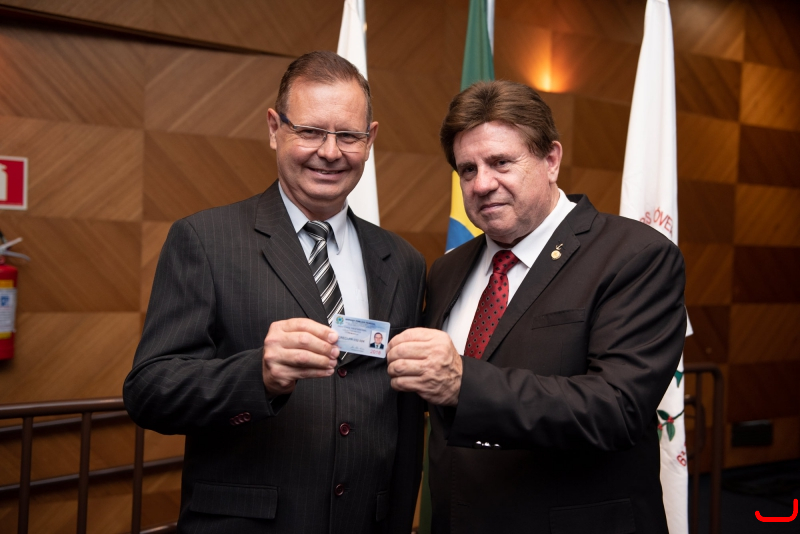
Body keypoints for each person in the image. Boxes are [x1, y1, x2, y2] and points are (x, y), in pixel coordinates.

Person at [124, 51, 426, 534]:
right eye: (310, 131)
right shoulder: (206, 240)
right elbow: (149, 391)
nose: (330, 152)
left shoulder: (403, 262)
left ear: (370, 140)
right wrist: (258, 375)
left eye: (348, 136)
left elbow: (405, 420)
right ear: (274, 128)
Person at [386, 80, 686, 533]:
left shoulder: (635, 256)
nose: (482, 184)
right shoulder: (447, 269)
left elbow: (618, 409)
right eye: (467, 170)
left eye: (501, 162)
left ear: (551, 160)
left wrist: (465, 384)